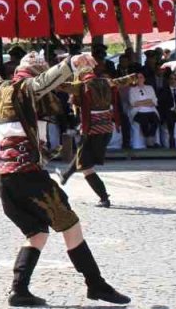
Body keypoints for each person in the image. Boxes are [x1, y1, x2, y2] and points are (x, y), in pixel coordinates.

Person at [0, 52, 129, 308]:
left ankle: (19, 289)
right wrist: (71, 63)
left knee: (37, 233)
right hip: (28, 177)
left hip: (5, 179)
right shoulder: (26, 88)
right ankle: (95, 284)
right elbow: (43, 82)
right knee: (71, 226)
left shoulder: (2, 88)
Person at [57, 63, 140, 206]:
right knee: (82, 156)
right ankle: (65, 175)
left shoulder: (81, 86)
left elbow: (61, 86)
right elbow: (123, 80)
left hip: (91, 130)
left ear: (80, 76)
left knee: (85, 166)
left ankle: (104, 198)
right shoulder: (107, 82)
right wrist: (133, 76)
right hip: (107, 129)